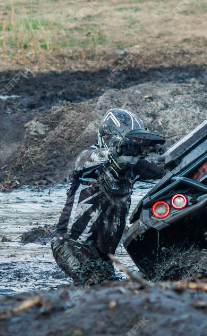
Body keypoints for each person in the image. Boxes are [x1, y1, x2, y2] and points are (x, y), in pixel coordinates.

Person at [52, 108, 165, 286]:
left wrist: (156, 153)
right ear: (106, 138)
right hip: (70, 245)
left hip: (104, 255)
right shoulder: (88, 159)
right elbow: (95, 158)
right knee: (95, 288)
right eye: (125, 143)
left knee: (111, 291)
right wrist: (119, 151)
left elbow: (164, 168)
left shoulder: (134, 168)